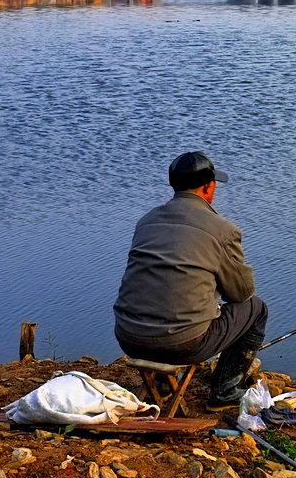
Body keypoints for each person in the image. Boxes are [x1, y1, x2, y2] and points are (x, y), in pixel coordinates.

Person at [114, 151, 267, 410]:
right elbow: (241, 294)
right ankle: (225, 390)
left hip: (129, 337)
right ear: (209, 186)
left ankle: (161, 383)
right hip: (181, 345)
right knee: (256, 308)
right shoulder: (223, 230)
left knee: (165, 295)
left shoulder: (147, 221)